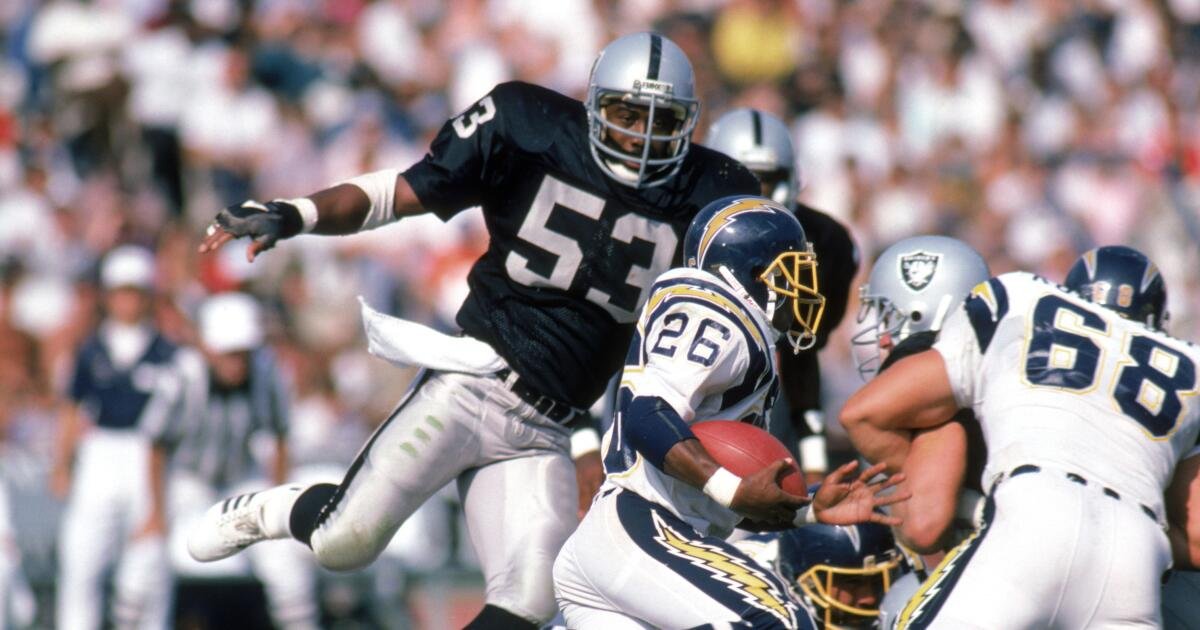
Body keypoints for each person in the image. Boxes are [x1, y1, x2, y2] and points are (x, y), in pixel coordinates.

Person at [187, 32, 762, 628]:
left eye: (661, 120)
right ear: (594, 104)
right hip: (470, 385)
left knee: (533, 598)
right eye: (627, 113)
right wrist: (294, 213)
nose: (641, 135)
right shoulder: (529, 127)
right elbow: (400, 193)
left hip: (550, 425)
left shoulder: (714, 194)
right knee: (344, 542)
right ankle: (269, 511)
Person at [552, 195, 907, 629]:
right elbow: (646, 413)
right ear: (753, 273)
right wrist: (732, 489)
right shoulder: (719, 313)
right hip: (641, 527)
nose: (802, 287)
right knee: (780, 620)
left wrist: (808, 511)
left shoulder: (745, 341)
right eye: (791, 270)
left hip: (640, 535)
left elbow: (719, 493)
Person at [841, 245, 1200, 628]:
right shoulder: (1190, 364)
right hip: (1135, 553)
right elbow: (1195, 539)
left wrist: (971, 505)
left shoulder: (1020, 300)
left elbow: (862, 416)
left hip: (1032, 514)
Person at [148, 292, 320, 630]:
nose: (237, 363)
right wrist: (155, 513)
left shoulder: (267, 373)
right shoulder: (182, 377)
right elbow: (156, 445)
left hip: (243, 478)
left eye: (243, 353)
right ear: (209, 349)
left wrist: (278, 495)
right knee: (149, 561)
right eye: (229, 353)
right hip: (188, 481)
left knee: (286, 564)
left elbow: (281, 436)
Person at [705, 108, 859, 485]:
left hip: (775, 399)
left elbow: (801, 351)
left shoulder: (826, 241)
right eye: (745, 180)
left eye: (767, 180)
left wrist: (814, 459)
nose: (757, 195)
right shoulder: (683, 226)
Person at [53, 246, 180, 630]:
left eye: (136, 291)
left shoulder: (167, 351)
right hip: (100, 451)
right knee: (82, 555)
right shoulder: (90, 349)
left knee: (150, 558)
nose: (128, 301)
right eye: (121, 291)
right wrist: (62, 463)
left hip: (149, 453)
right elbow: (72, 408)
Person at [850, 236, 990, 555]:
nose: (882, 339)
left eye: (890, 318)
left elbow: (923, 528)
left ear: (918, 314)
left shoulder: (943, 410)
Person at [734, 523, 907, 629]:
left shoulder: (905, 564)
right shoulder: (749, 595)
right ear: (803, 580)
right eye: (852, 582)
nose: (868, 598)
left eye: (877, 580)